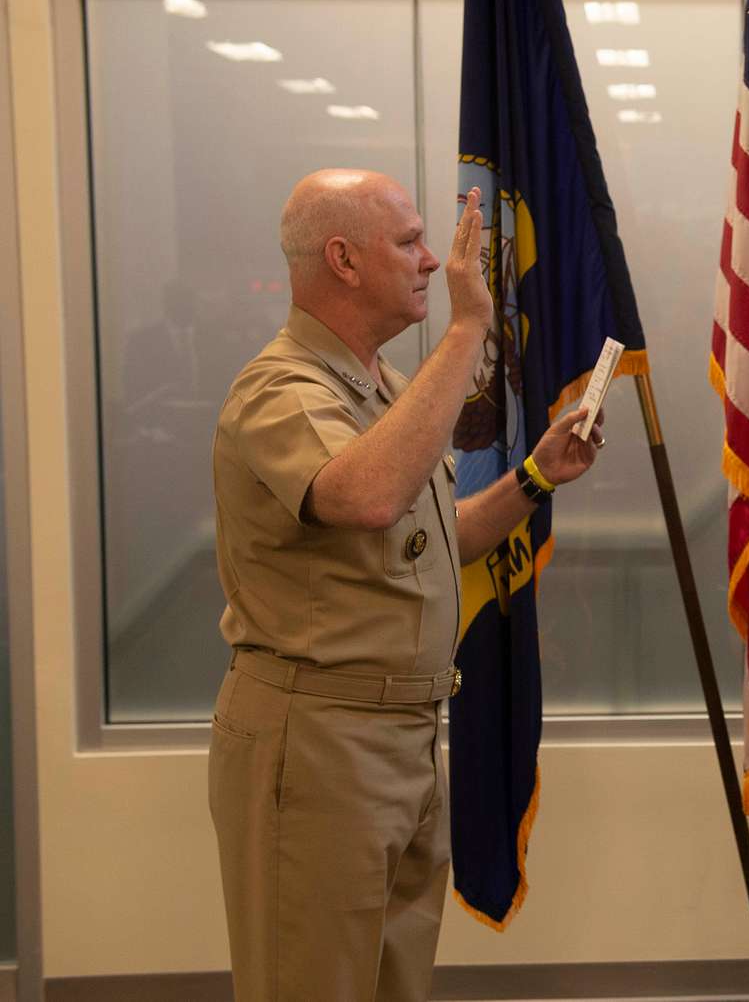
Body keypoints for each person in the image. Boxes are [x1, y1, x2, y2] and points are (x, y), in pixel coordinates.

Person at [208, 169, 603, 1001]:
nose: (431, 260)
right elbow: (366, 495)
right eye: (409, 241)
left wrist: (535, 475)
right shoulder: (278, 388)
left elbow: (432, 535)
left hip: (403, 742)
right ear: (343, 260)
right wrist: (468, 328)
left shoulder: (382, 387)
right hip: (319, 743)